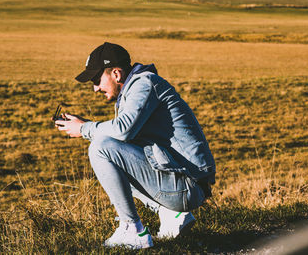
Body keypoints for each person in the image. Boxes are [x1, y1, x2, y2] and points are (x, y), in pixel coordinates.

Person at [54, 42, 216, 249]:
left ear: (116, 73)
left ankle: (133, 230)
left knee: (100, 148)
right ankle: (170, 213)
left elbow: (122, 130)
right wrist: (85, 126)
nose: (95, 88)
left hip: (187, 186)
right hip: (184, 183)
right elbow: (123, 141)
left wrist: (85, 129)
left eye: (97, 80)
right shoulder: (135, 89)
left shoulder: (144, 84)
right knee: (107, 148)